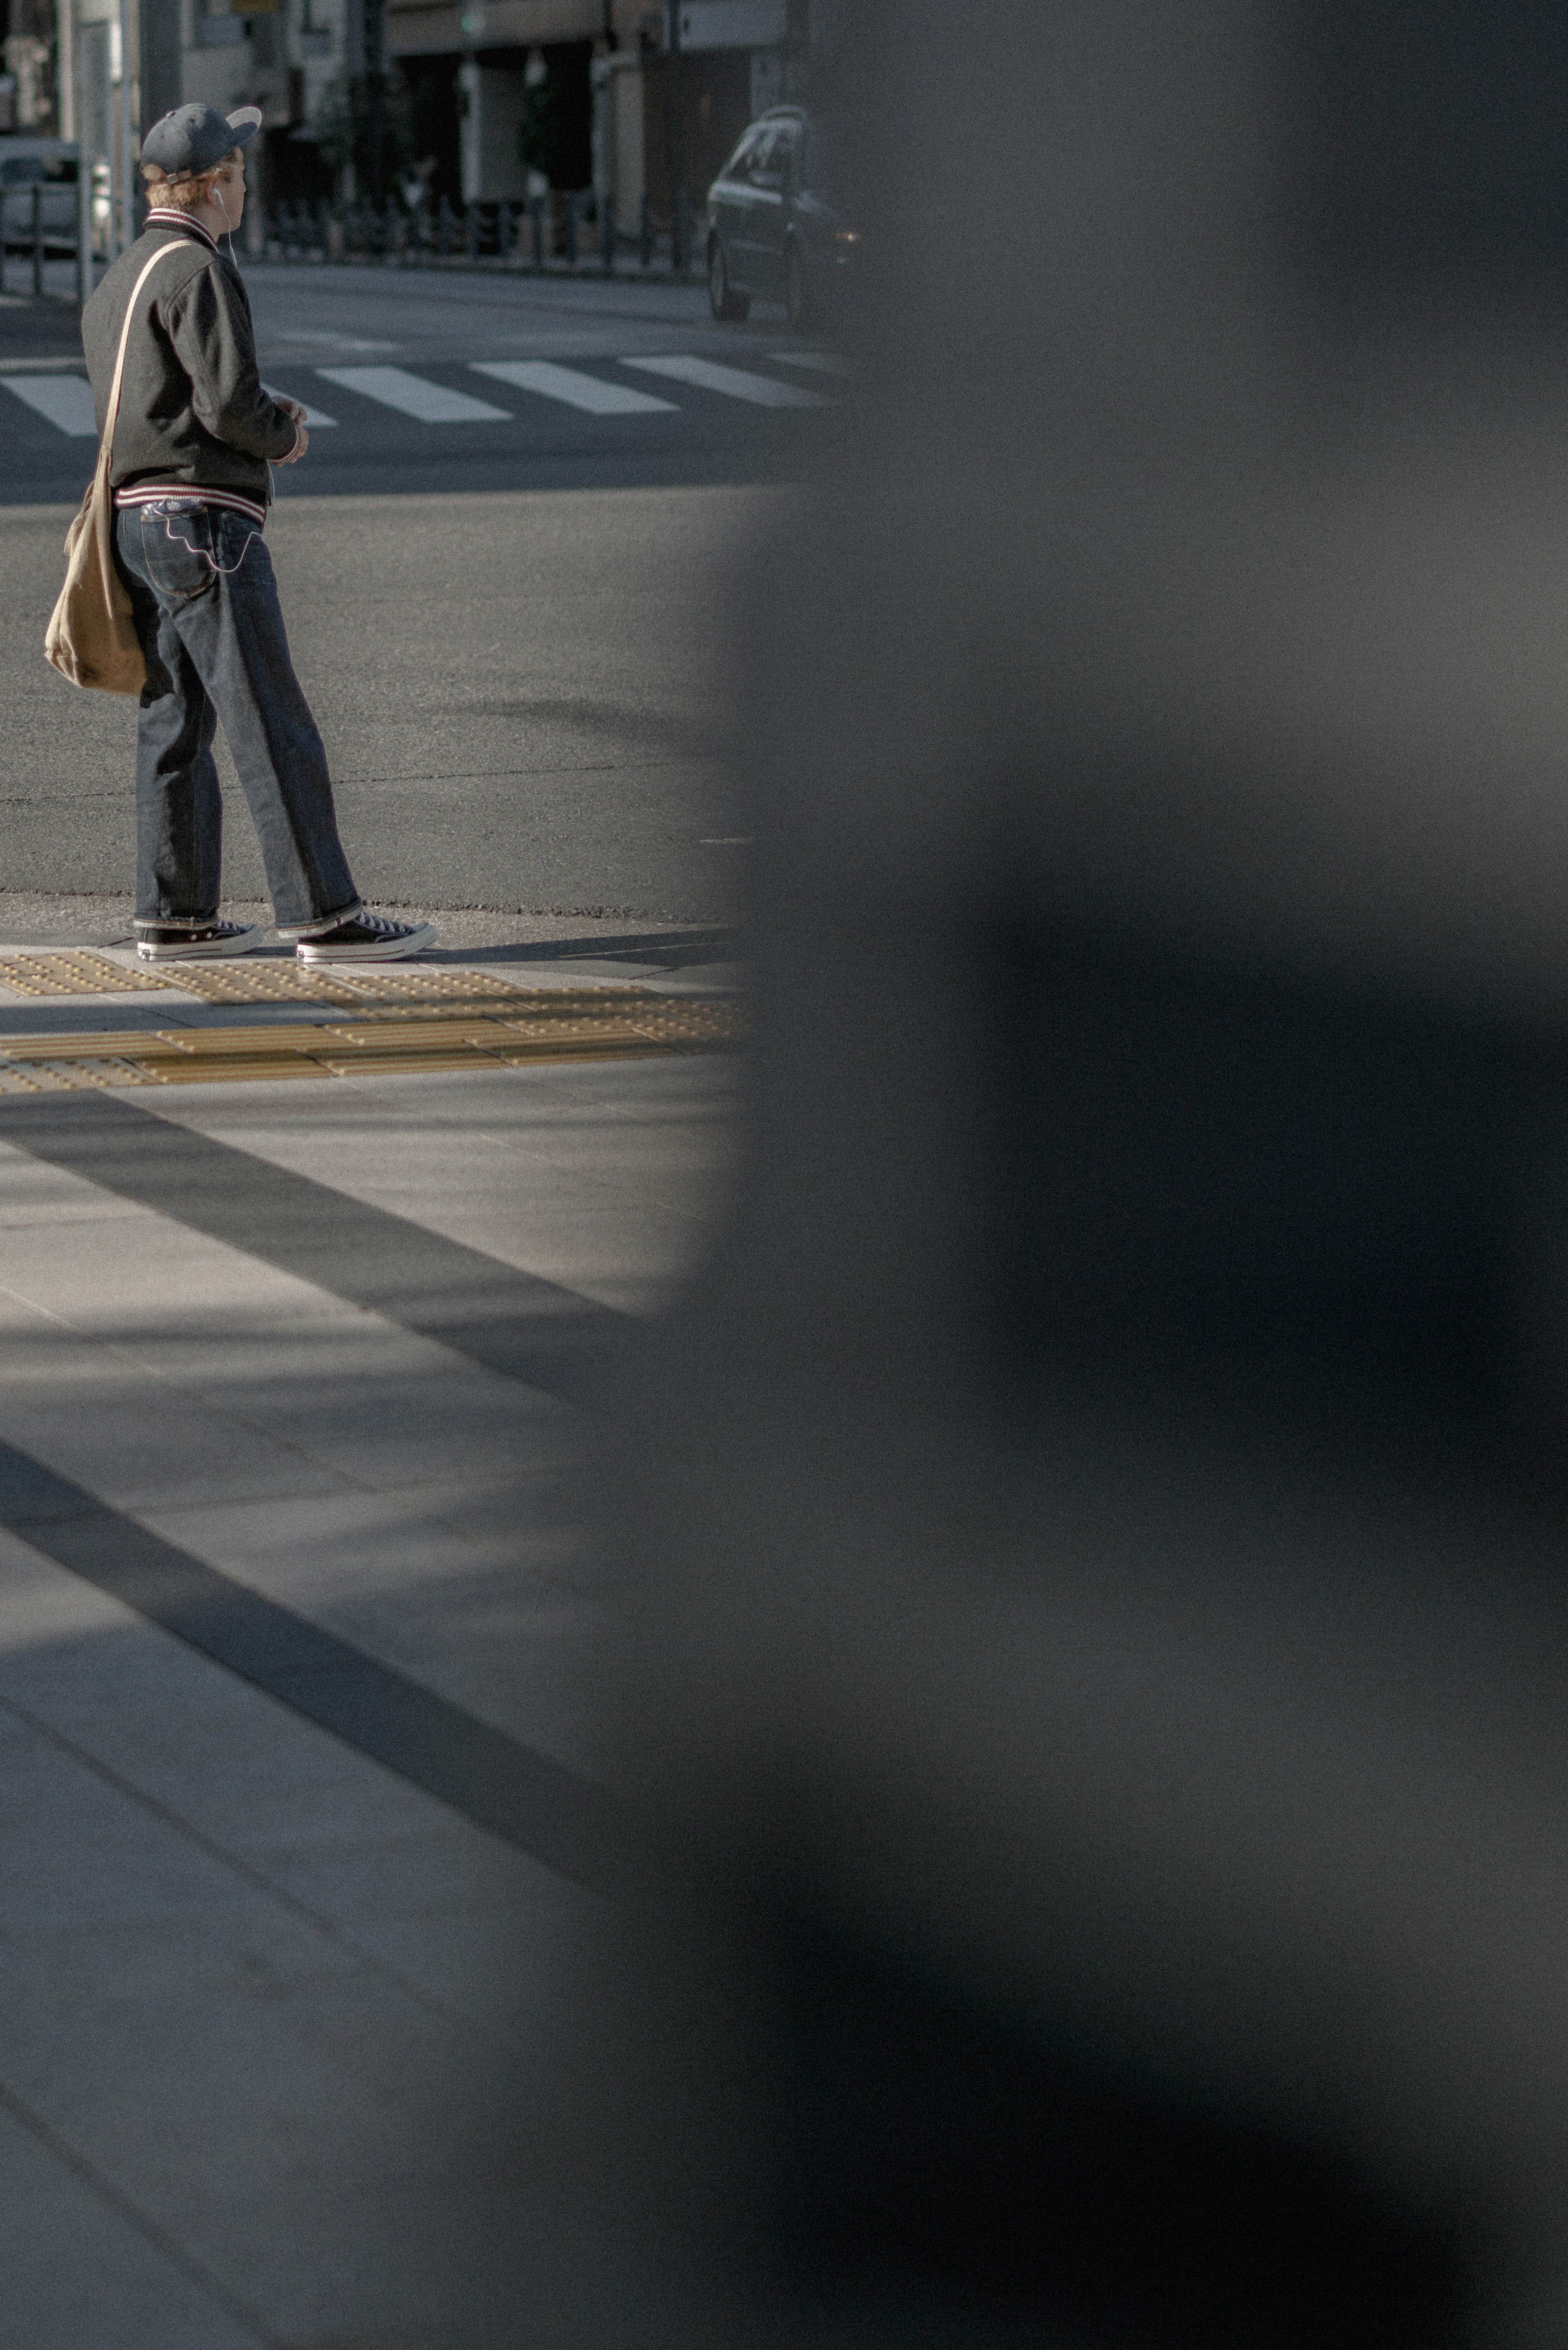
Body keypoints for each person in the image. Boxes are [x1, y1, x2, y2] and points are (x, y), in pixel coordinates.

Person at [80, 102, 435, 964]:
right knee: (271, 718)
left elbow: (152, 405)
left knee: (173, 723)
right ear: (211, 185)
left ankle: (176, 915)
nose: (248, 187)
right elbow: (227, 406)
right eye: (238, 172)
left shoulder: (122, 274)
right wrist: (285, 432)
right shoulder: (196, 268)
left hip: (134, 523)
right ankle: (324, 915)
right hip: (204, 523)